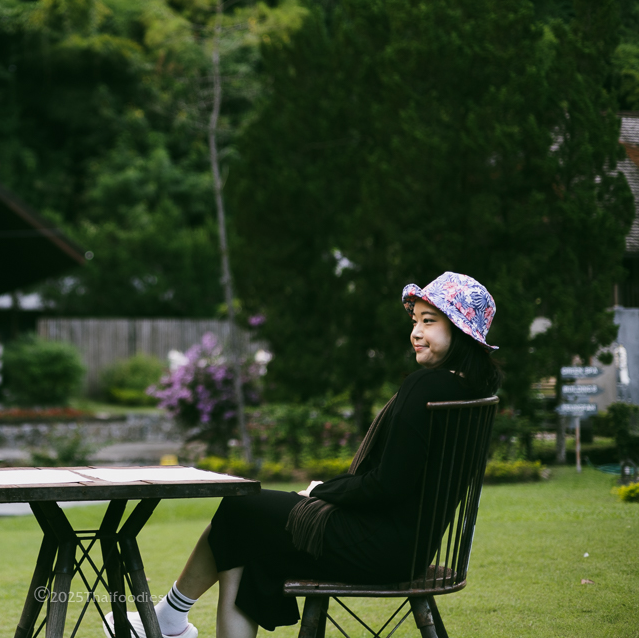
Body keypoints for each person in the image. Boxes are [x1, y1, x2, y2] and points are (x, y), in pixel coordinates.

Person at [107, 271, 503, 638]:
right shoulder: (471, 392)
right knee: (246, 539)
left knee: (239, 507)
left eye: (429, 321)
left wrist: (320, 492)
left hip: (381, 546)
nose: (416, 332)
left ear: (460, 330)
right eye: (415, 321)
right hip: (408, 548)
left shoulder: (426, 387)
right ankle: (170, 619)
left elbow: (388, 486)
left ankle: (170, 619)